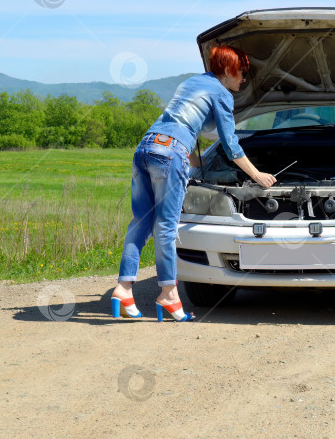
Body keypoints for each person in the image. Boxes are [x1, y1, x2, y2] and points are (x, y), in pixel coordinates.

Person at [111, 45, 276, 322]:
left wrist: (193, 162)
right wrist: (256, 175)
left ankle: (123, 288)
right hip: (171, 152)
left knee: (140, 221)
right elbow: (230, 143)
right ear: (228, 69)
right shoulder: (222, 94)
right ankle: (168, 294)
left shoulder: (192, 82)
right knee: (165, 226)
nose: (244, 79)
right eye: (242, 72)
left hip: (145, 146)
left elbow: (179, 122)